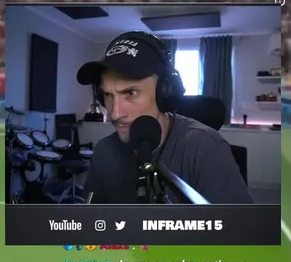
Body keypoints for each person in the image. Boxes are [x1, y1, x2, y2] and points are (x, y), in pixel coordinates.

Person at [76, 32, 252, 205]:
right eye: (108, 94)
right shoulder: (104, 151)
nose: (115, 114)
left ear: (165, 92)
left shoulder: (206, 149)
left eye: (131, 92)